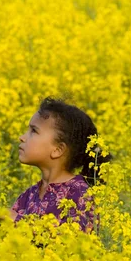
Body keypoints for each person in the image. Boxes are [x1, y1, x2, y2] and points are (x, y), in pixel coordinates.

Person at [8, 96, 112, 236]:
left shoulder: (80, 194)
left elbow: (77, 244)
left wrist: (18, 222)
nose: (22, 137)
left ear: (58, 149)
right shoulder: (29, 195)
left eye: (34, 131)